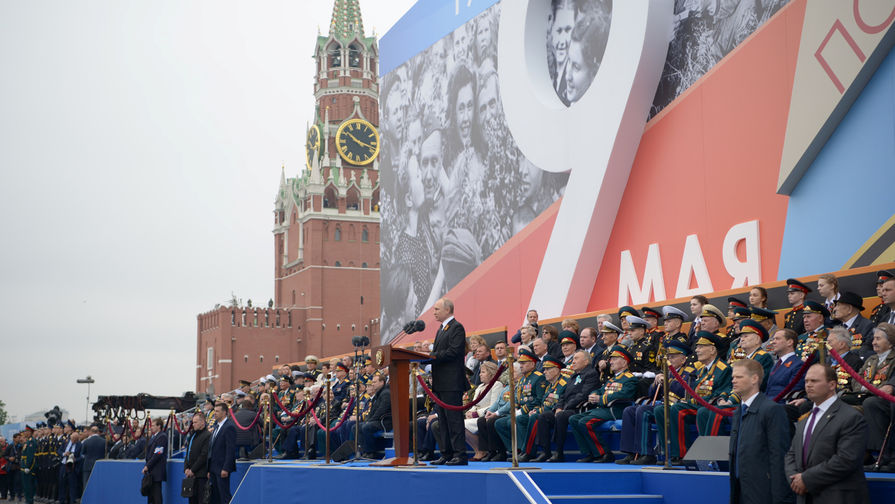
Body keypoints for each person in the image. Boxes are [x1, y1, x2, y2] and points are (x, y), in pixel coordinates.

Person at [785, 364, 869, 503]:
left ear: (832, 385)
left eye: (814, 381)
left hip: (837, 496)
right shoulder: (805, 419)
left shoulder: (851, 417)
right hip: (805, 496)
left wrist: (806, 479)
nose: (808, 385)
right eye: (806, 381)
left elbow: (846, 460)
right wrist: (794, 479)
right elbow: (791, 454)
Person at [618, 340, 697, 466]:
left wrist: (666, 381)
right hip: (662, 404)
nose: (669, 359)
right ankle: (631, 452)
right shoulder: (667, 371)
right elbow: (652, 393)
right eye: (668, 356)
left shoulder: (689, 371)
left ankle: (646, 453)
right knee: (629, 411)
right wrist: (656, 383)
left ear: (683, 359)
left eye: (673, 356)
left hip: (677, 405)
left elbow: (683, 389)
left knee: (642, 411)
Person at [728, 359, 794, 504]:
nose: (734, 381)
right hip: (740, 489)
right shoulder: (738, 412)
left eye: (739, 377)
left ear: (754, 379)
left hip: (763, 490)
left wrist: (780, 497)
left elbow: (779, 455)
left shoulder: (771, 410)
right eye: (733, 377)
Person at [570, 346, 639, 463]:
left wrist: (600, 399)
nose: (610, 362)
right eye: (610, 359)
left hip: (616, 409)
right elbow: (600, 390)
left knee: (585, 422)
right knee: (573, 419)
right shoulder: (612, 379)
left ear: (624, 362)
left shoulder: (629, 378)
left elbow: (623, 395)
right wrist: (593, 394)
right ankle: (589, 452)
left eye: (614, 359)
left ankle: (604, 453)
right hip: (603, 410)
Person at [427, 298, 469, 466]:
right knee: (443, 420)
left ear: (448, 310)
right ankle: (446, 453)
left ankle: (460, 454)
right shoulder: (441, 329)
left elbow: (454, 351)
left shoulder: (457, 327)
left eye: (437, 309)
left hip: (452, 382)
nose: (434, 312)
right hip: (440, 382)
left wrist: (433, 356)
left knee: (454, 420)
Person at [537, 350, 599, 462]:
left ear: (585, 362)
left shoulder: (591, 374)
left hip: (579, 409)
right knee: (543, 416)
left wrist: (564, 408)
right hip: (566, 408)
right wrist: (558, 407)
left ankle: (559, 452)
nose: (573, 362)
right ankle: (545, 452)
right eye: (573, 358)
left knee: (561, 416)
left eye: (576, 359)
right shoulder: (573, 375)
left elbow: (583, 395)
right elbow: (562, 395)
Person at [862, 323, 895, 472]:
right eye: (873, 338)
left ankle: (881, 456)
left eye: (878, 339)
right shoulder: (871, 359)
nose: (873, 342)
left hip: (884, 398)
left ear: (890, 342)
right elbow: (857, 379)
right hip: (869, 395)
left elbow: (888, 384)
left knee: (871, 403)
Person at [464, 361, 503, 461]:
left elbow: (494, 405)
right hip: (476, 416)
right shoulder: (480, 387)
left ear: (491, 373)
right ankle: (478, 450)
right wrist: (469, 412)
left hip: (487, 415)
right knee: (459, 424)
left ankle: (482, 451)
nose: (480, 374)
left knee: (461, 425)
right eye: (480, 372)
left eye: (483, 372)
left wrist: (476, 413)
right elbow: (474, 404)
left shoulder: (497, 385)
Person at [207, 402, 236, 504]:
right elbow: (212, 449)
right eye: (214, 411)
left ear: (224, 413)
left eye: (217, 411)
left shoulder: (229, 427)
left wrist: (226, 468)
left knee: (224, 496)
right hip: (213, 468)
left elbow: (230, 450)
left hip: (222, 468)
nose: (215, 413)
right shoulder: (216, 427)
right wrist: (209, 468)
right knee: (215, 497)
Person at [831, 291, 875, 357]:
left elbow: (864, 352)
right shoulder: (837, 328)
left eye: (838, 305)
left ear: (849, 309)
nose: (834, 309)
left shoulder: (867, 326)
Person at [359, 373, 392, 458]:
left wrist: (370, 420)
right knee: (356, 427)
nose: (372, 384)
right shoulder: (378, 394)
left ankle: (371, 452)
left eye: (374, 382)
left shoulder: (386, 393)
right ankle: (364, 451)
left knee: (366, 427)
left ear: (382, 382)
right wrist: (367, 419)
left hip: (385, 421)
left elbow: (381, 411)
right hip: (377, 420)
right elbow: (372, 411)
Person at [184, 413, 211, 504]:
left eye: (195, 422)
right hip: (191, 476)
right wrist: (186, 468)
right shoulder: (193, 435)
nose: (193, 424)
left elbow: (203, 456)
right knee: (192, 501)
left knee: (201, 500)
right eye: (193, 422)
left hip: (201, 475)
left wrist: (193, 470)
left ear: (202, 422)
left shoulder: (207, 435)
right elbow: (188, 453)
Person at [141, 418, 166, 504]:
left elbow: (158, 454)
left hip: (157, 472)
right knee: (151, 497)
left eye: (153, 425)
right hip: (151, 473)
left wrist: (147, 466)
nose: (151, 427)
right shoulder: (154, 437)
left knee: (156, 496)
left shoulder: (162, 436)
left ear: (159, 426)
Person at [80, 426, 105, 491]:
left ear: (91, 432)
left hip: (87, 466)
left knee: (86, 486)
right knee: (97, 486)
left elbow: (82, 454)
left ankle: (86, 500)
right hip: (99, 466)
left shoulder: (86, 441)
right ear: (98, 432)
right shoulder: (104, 441)